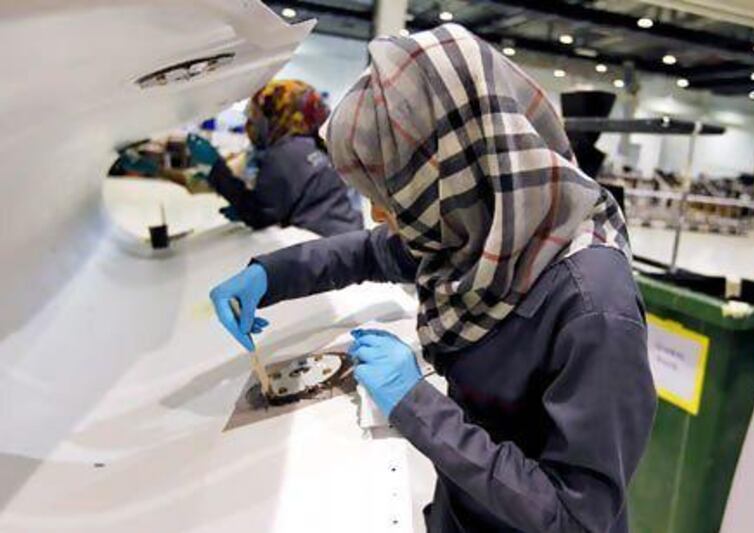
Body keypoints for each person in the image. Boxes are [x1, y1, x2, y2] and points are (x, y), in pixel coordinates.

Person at [209, 25, 656, 533]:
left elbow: (578, 518)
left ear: (444, 172)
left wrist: (417, 404)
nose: (377, 214)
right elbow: (368, 251)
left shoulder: (593, 309)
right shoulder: (483, 227)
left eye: (390, 192)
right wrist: (269, 274)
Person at [187, 80, 364, 237]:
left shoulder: (285, 153)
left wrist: (215, 168)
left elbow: (260, 215)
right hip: (347, 240)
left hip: (321, 248)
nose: (250, 126)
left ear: (276, 115)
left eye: (255, 117)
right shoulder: (320, 145)